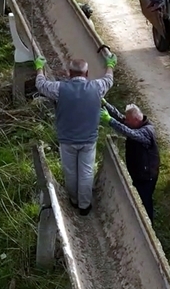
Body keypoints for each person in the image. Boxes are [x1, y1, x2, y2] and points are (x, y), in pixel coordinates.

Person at [34, 50, 116, 216]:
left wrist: (39, 68)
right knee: (86, 172)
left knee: (70, 171)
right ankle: (84, 206)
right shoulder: (96, 87)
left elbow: (41, 85)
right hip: (88, 139)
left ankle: (73, 200)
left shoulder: (59, 89)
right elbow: (109, 80)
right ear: (87, 73)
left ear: (69, 73)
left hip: (67, 139)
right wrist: (110, 65)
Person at [101, 101, 160, 223]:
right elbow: (121, 118)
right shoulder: (136, 123)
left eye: (128, 120)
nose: (126, 122)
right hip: (139, 171)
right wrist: (106, 104)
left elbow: (130, 133)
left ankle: (148, 224)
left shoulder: (146, 131)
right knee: (138, 197)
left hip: (146, 175)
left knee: (145, 201)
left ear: (136, 120)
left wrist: (110, 121)